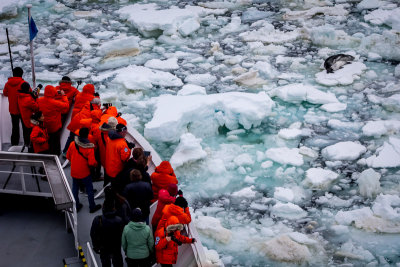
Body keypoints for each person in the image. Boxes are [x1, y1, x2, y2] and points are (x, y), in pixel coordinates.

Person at [66, 127, 101, 213]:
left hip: (74, 171)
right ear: (87, 136)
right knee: (89, 189)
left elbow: (68, 156)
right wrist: (96, 164)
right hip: (85, 172)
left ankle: (76, 206)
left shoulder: (72, 144)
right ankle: (92, 207)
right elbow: (92, 163)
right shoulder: (89, 148)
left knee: (75, 188)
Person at [90, 199, 124, 267]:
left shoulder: (97, 220)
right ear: (113, 208)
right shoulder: (119, 220)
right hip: (116, 247)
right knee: (118, 263)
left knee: (105, 264)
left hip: (103, 247)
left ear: (103, 208)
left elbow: (93, 234)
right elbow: (122, 235)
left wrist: (96, 247)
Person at [38, 85, 69, 155]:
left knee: (47, 142)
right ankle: (56, 156)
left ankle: (47, 154)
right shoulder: (55, 103)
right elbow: (66, 105)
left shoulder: (39, 100)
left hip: (44, 126)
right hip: (54, 127)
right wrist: (63, 95)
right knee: (55, 144)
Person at [105, 123, 133, 190]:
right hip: (116, 171)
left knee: (112, 184)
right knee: (117, 188)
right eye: (125, 131)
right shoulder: (122, 144)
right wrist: (129, 149)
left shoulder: (109, 138)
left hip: (109, 167)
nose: (126, 133)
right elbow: (125, 158)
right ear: (122, 132)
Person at [3, 67, 26, 146]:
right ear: (21, 74)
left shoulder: (8, 83)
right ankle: (27, 143)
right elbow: (29, 92)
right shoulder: (23, 83)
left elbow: (5, 93)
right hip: (23, 109)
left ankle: (14, 144)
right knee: (25, 127)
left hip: (13, 109)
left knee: (15, 127)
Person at [17, 82, 39, 151]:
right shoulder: (28, 99)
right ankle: (31, 148)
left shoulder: (20, 96)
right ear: (28, 89)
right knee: (31, 133)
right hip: (29, 119)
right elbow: (36, 107)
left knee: (25, 132)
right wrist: (36, 98)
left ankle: (26, 145)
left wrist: (31, 95)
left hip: (23, 116)